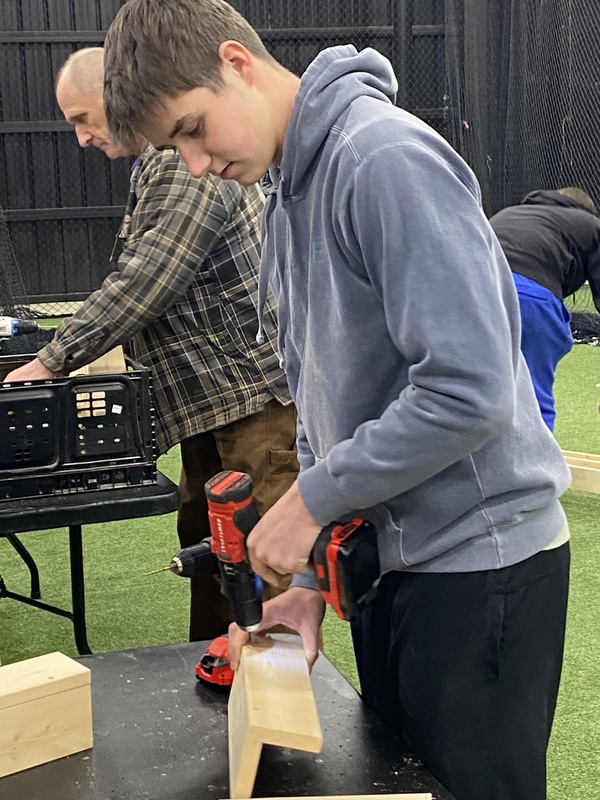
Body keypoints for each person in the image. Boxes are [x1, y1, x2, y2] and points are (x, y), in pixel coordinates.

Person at [103, 4, 571, 799]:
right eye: (172, 147)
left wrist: (309, 503)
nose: (193, 164)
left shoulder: (381, 159)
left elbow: (472, 391)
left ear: (236, 63)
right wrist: (315, 579)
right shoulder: (288, 186)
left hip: (481, 566)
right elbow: (330, 402)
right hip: (397, 562)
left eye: (191, 128)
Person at [4, 47, 299, 642]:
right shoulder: (158, 164)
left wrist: (49, 362)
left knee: (265, 566)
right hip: (212, 405)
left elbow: (147, 278)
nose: (82, 138)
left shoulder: (179, 162)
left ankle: (275, 718)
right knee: (212, 549)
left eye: (83, 119)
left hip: (253, 400)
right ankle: (212, 688)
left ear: (119, 99)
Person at [489, 187, 600, 430]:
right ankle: (537, 463)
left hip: (473, 292)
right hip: (529, 293)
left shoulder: (510, 213)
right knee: (533, 395)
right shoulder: (591, 224)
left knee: (477, 388)